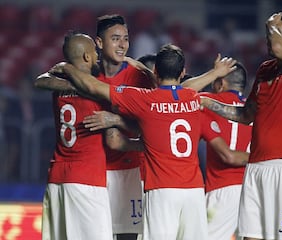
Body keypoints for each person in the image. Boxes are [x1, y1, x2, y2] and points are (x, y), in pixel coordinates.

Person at [48, 43, 241, 240]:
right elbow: (190, 87)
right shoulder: (193, 98)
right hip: (194, 191)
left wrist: (68, 68)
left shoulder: (145, 100)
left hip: (162, 190)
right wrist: (216, 72)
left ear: (156, 71)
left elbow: (93, 86)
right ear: (183, 72)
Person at [201, 11, 282, 240]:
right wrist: (209, 103)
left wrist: (270, 24)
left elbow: (278, 48)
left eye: (277, 32)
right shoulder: (265, 69)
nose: (270, 39)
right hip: (256, 167)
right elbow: (247, 115)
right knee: (250, 236)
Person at [40, 32, 112, 240]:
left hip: (57, 178)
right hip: (86, 179)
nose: (98, 56)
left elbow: (41, 79)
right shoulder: (97, 87)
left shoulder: (57, 86)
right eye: (95, 53)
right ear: (87, 57)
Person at [199, 62, 252, 240]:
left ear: (220, 83)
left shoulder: (208, 101)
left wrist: (212, 73)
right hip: (252, 189)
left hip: (223, 190)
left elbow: (179, 93)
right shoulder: (255, 110)